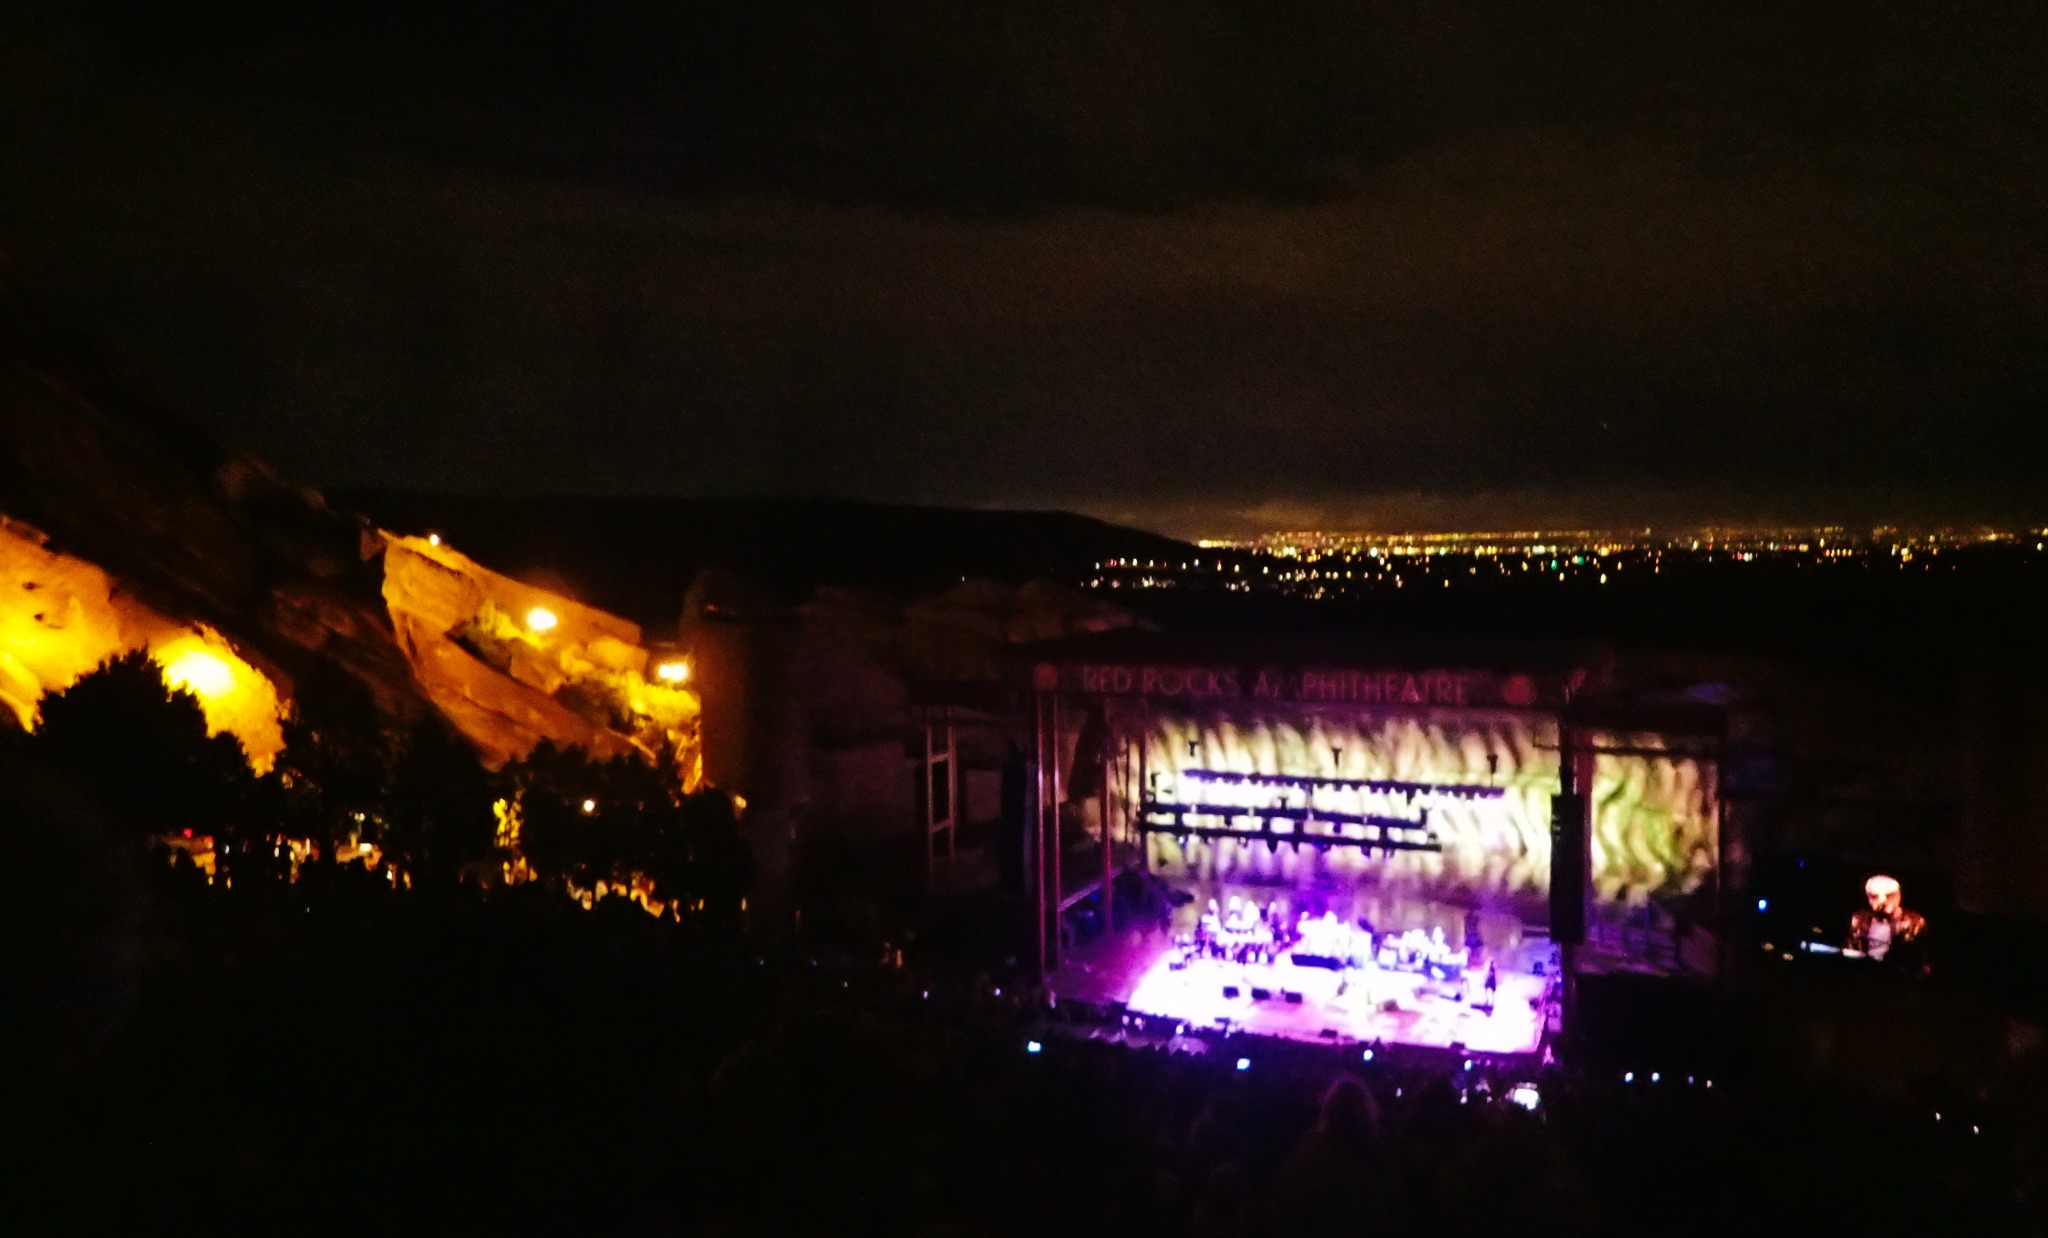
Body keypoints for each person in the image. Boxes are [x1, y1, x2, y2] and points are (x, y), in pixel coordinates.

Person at [1848, 874, 1925, 962]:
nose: (1882, 901)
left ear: (1899, 896)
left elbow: (1918, 957)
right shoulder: (1859, 921)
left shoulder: (1914, 923)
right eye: (1874, 897)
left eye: (1889, 896)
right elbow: (1852, 951)